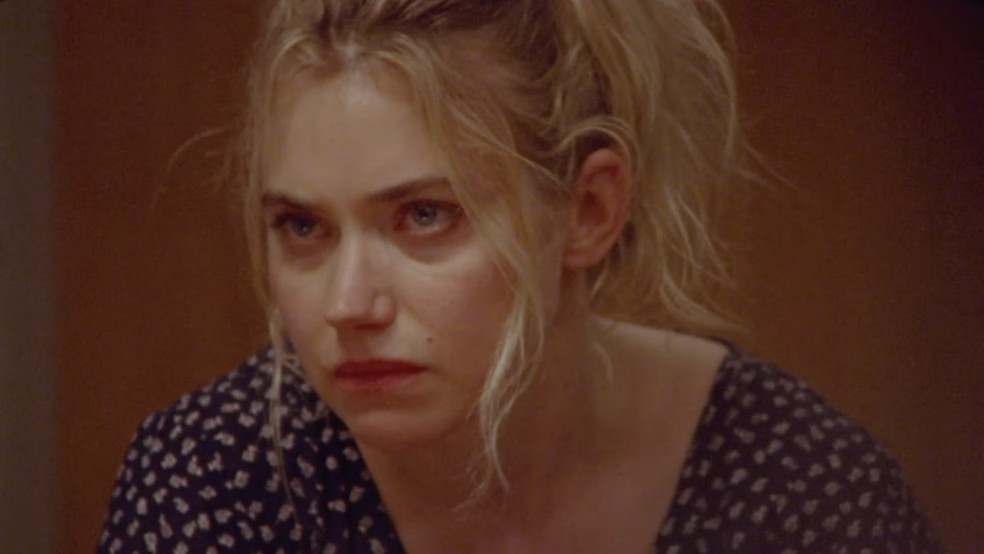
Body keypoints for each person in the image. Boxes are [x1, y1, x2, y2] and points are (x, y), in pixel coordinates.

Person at [99, 1, 939, 552]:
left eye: (425, 215)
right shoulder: (211, 476)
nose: (349, 305)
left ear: (588, 211)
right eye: (303, 227)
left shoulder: (803, 484)